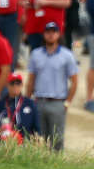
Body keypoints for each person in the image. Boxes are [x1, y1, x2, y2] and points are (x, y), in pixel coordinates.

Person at [23, 19, 78, 150]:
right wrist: (27, 100)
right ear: (44, 34)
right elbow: (31, 80)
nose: (51, 35)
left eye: (54, 32)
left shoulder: (67, 55)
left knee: (57, 139)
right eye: (48, 32)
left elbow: (75, 81)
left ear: (58, 34)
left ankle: (57, 166)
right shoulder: (36, 54)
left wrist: (67, 102)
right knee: (38, 137)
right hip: (39, 101)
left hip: (58, 102)